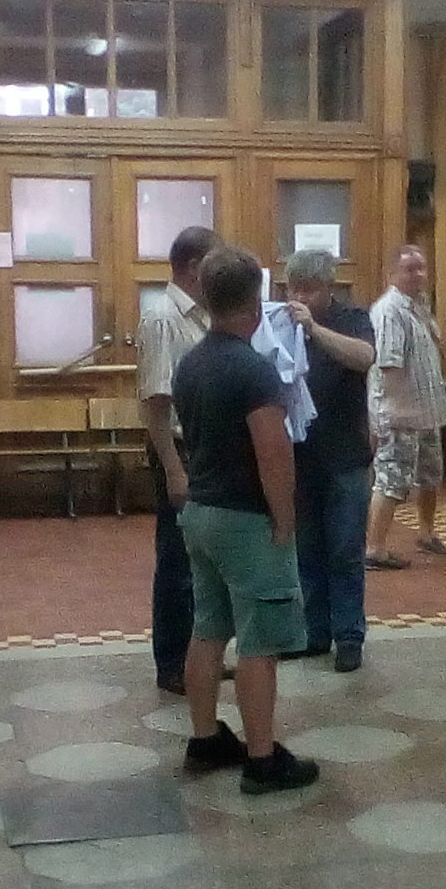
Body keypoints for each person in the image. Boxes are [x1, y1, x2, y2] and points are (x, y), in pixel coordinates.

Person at [172, 245, 321, 795]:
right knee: (261, 640)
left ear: (206, 298)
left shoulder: (191, 364)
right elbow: (273, 454)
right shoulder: (254, 371)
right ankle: (262, 760)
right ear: (257, 303)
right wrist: (285, 520)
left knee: (208, 628)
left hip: (201, 512)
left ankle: (205, 739)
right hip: (246, 520)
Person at [282, 249, 377, 673]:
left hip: (345, 458)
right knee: (306, 550)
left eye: (309, 289)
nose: (299, 297)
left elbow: (364, 357)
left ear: (328, 288)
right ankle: (314, 633)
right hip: (299, 457)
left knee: (345, 550)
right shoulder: (280, 323)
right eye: (294, 288)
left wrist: (314, 329)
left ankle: (349, 636)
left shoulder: (352, 317)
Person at [137, 225, 220, 695]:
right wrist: (173, 469)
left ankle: (200, 657)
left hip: (205, 448)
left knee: (203, 561)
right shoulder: (162, 317)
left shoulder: (204, 316)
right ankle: (172, 663)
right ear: (193, 266)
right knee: (177, 560)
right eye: (214, 262)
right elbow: (156, 403)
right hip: (178, 449)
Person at [365, 245, 446, 570]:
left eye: (421, 268)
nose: (417, 275)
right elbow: (389, 364)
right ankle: (374, 548)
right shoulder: (389, 311)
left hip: (426, 412)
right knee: (392, 480)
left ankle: (426, 534)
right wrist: (393, 414)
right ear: (392, 274)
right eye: (409, 269)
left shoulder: (420, 306)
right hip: (400, 414)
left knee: (430, 475)